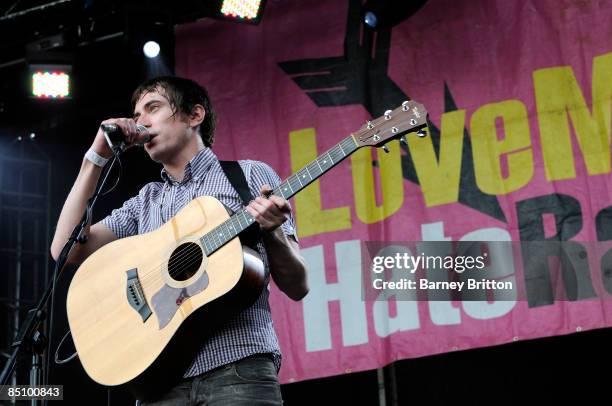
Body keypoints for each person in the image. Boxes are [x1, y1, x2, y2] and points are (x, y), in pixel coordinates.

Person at [50, 76, 309, 405]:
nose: (139, 121)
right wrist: (96, 156)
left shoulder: (248, 176)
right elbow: (65, 249)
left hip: (238, 368)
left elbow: (298, 285)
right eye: (136, 114)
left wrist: (273, 232)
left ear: (194, 115)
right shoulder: (145, 201)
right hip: (159, 382)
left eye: (153, 108)